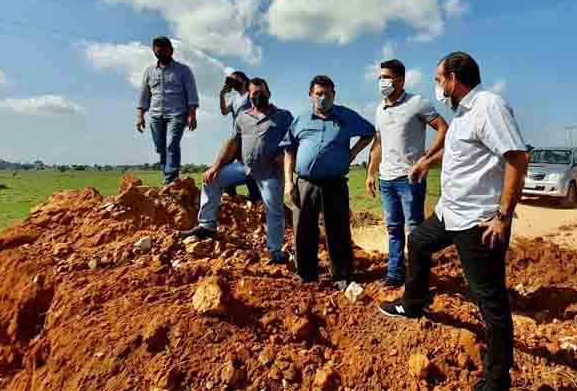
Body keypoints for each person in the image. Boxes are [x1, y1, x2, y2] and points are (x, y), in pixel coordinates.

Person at [378, 52, 530, 391]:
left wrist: (503, 216)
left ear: (453, 79)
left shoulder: (489, 106)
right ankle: (413, 303)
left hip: (478, 222)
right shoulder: (462, 112)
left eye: (438, 79)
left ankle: (497, 379)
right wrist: (426, 163)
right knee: (418, 241)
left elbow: (518, 158)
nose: (436, 85)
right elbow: (458, 151)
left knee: (489, 299)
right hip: (450, 213)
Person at [280, 75, 376, 290]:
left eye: (328, 94)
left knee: (338, 230)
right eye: (318, 94)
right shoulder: (301, 120)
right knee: (303, 229)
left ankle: (341, 276)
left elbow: (369, 132)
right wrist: (288, 182)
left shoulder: (346, 116)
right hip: (305, 183)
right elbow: (288, 149)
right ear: (310, 95)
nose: (323, 98)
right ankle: (306, 274)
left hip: (335, 183)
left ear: (334, 94)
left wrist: (352, 153)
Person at [181, 78, 293, 260]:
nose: (258, 96)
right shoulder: (243, 117)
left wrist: (287, 172)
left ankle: (274, 252)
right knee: (211, 179)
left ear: (269, 93)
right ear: (249, 96)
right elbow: (233, 143)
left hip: (270, 172)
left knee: (274, 210)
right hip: (244, 167)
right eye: (254, 93)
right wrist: (216, 166)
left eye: (261, 92)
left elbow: (292, 144)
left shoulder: (283, 116)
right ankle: (207, 225)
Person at [366, 59, 448, 287]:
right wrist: (371, 173)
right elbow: (378, 143)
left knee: (415, 229)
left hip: (410, 179)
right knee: (393, 228)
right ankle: (394, 274)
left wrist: (426, 158)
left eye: (386, 77)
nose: (382, 82)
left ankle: (417, 277)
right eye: (380, 78)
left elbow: (443, 128)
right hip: (386, 179)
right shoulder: (379, 109)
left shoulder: (417, 103)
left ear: (400, 80)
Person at [136, 36, 198, 185]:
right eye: (158, 51)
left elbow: (192, 93)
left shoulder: (183, 70)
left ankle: (171, 179)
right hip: (156, 114)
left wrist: (192, 115)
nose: (161, 53)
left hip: (177, 113)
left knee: (171, 144)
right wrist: (140, 116)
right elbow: (144, 95)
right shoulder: (149, 71)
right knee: (160, 148)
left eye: (164, 50)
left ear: (171, 50)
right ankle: (168, 176)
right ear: (154, 51)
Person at [219, 71, 263, 205]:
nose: (232, 82)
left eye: (235, 79)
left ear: (243, 80)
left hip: (248, 135)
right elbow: (224, 111)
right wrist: (222, 94)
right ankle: (229, 191)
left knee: (248, 166)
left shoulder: (250, 95)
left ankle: (255, 196)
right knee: (225, 163)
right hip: (235, 137)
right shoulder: (234, 98)